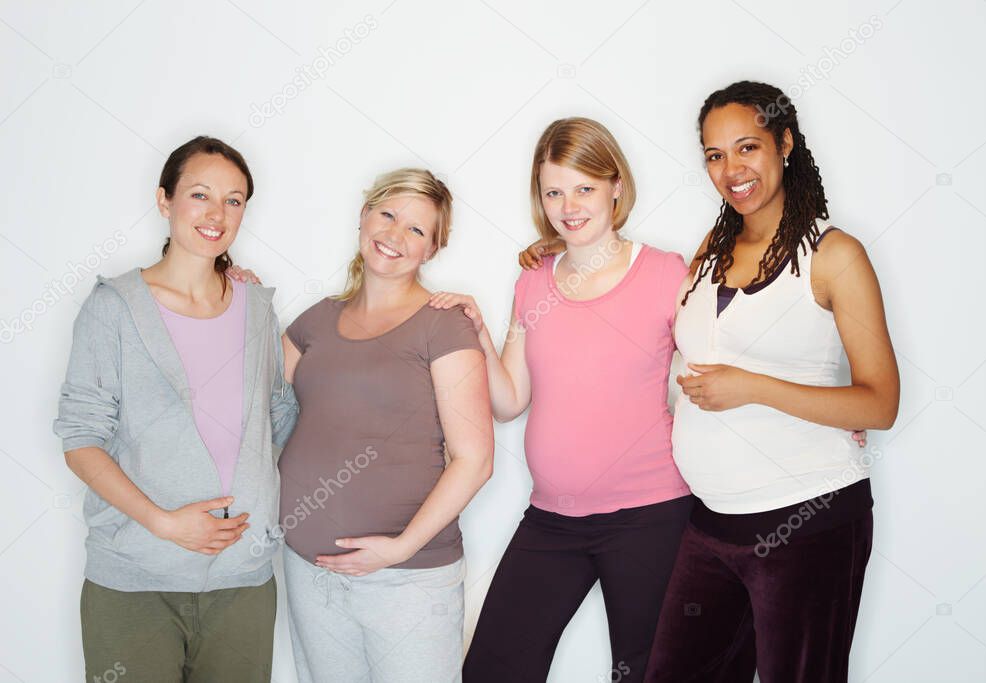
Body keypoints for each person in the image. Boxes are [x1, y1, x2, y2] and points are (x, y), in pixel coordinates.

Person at [643, 81, 900, 682]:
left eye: (747, 147)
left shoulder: (836, 257)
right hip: (711, 521)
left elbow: (881, 403)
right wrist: (564, 252)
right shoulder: (711, 249)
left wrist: (754, 387)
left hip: (807, 519)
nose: (731, 169)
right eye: (713, 155)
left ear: (784, 143)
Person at [431, 117, 694, 682]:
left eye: (584, 188)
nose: (568, 205)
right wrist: (478, 328)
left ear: (615, 186)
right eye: (554, 191)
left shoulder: (667, 272)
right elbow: (509, 400)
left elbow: (716, 363)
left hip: (651, 517)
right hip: (553, 520)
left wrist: (803, 417)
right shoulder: (532, 282)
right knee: (493, 669)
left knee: (646, 673)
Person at [54, 136, 297, 682]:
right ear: (164, 201)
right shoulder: (112, 308)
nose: (217, 214)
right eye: (200, 195)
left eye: (234, 200)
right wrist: (162, 522)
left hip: (242, 581)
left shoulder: (257, 309)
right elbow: (80, 438)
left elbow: (278, 417)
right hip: (135, 581)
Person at [277, 168, 494, 683]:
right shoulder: (315, 320)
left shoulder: (444, 325)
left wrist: (401, 547)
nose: (395, 235)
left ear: (432, 249)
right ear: (363, 217)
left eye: (417, 230)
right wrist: (228, 286)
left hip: (408, 580)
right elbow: (252, 411)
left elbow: (475, 459)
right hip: (310, 570)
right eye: (388, 215)